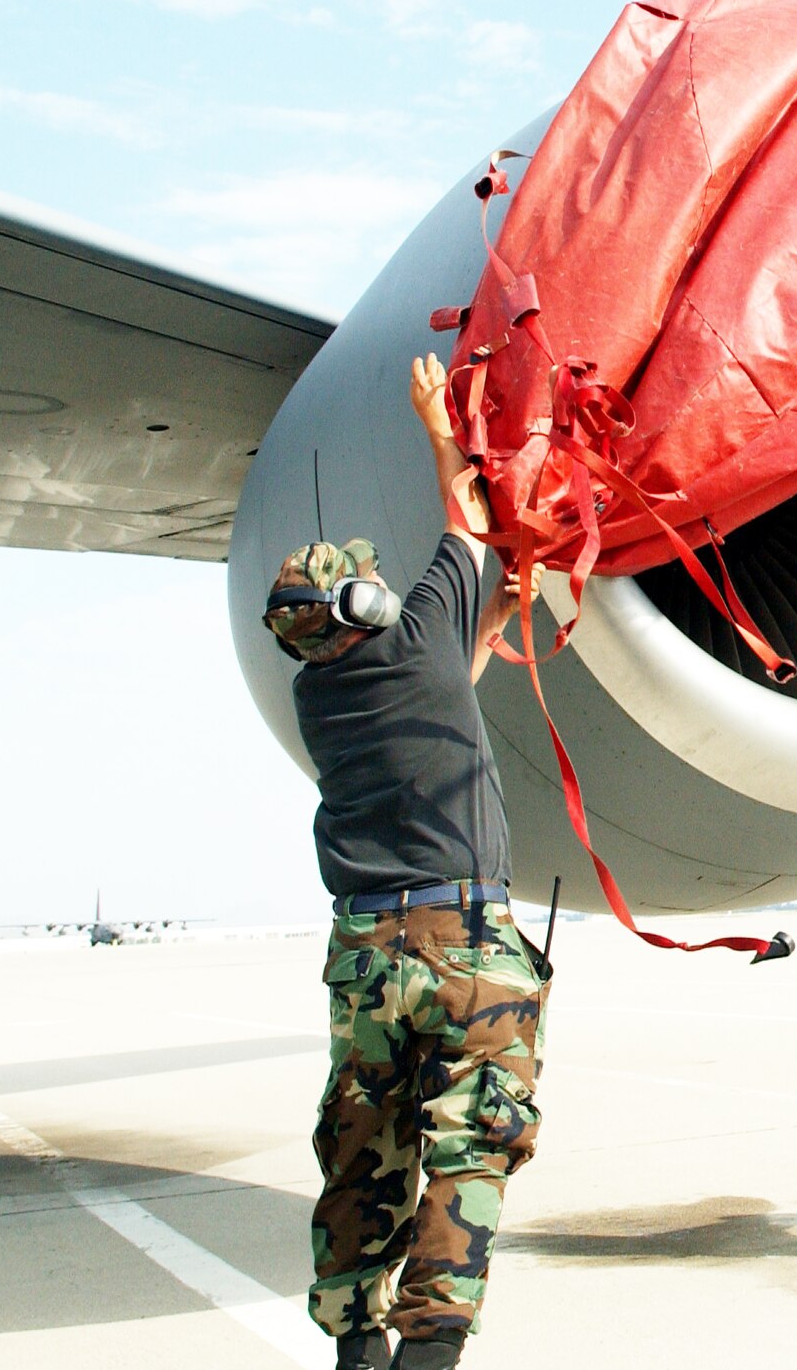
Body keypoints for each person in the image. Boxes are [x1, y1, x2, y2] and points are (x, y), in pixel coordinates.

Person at [262, 353, 550, 1370]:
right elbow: (467, 510)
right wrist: (437, 420)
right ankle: (434, 1341)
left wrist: (489, 618)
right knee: (472, 1142)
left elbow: (444, 684)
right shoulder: (419, 633)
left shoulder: (319, 696)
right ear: (365, 610)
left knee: (362, 1146)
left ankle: (356, 1340)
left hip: (365, 951)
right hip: (464, 941)